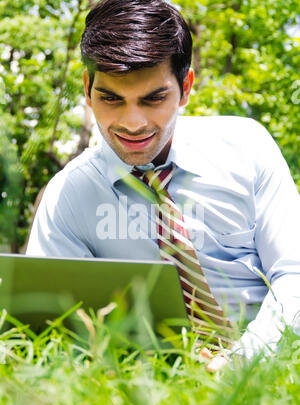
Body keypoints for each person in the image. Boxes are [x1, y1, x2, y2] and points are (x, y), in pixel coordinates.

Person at [26, 0, 300, 371]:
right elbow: (46, 328)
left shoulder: (247, 149)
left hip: (269, 364)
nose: (133, 122)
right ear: (88, 88)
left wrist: (242, 363)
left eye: (154, 98)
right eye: (111, 98)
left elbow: (294, 272)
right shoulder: (67, 198)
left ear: (185, 87)